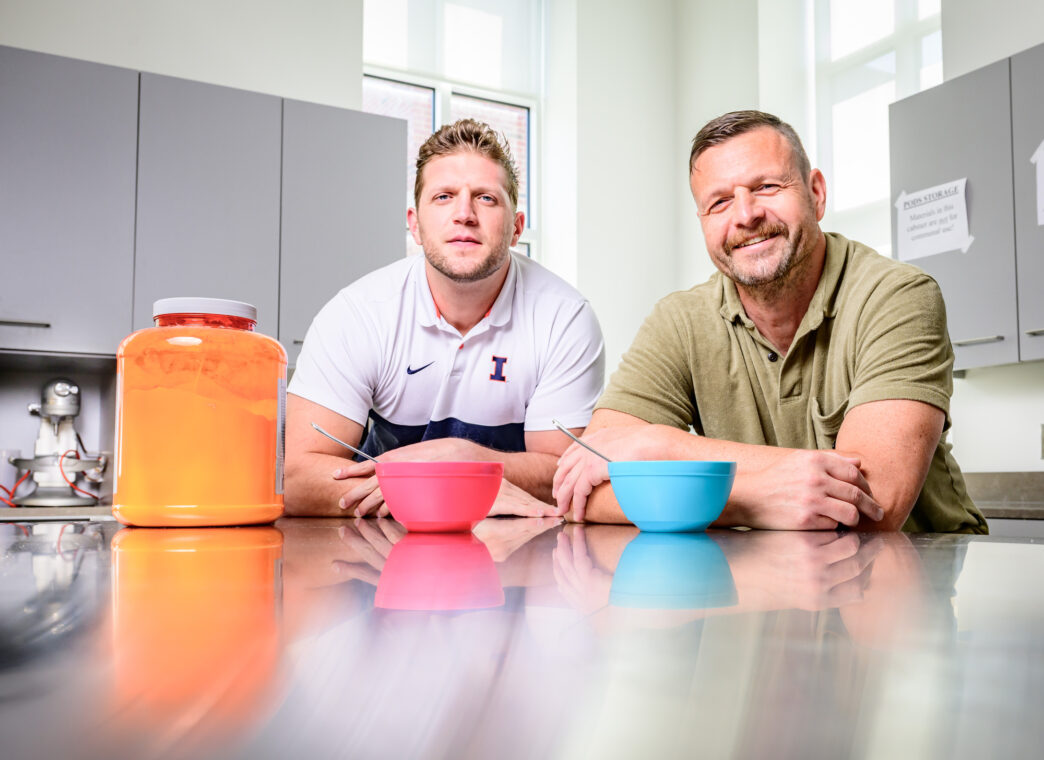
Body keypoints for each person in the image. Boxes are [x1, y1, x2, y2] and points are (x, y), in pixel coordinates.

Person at [552, 110, 986, 534]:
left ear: (816, 193)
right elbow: (585, 494)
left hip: (913, 579)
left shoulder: (897, 296)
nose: (745, 215)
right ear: (702, 221)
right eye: (719, 201)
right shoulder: (679, 321)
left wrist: (660, 447)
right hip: (766, 583)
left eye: (767, 186)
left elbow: (874, 505)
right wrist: (758, 499)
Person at [285, 119, 605, 517]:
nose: (464, 214)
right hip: (376, 551)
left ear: (516, 228)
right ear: (414, 224)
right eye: (443, 196)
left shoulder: (564, 318)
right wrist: (442, 486)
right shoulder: (357, 314)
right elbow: (299, 478)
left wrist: (459, 458)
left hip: (516, 550)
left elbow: (562, 474)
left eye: (486, 198)